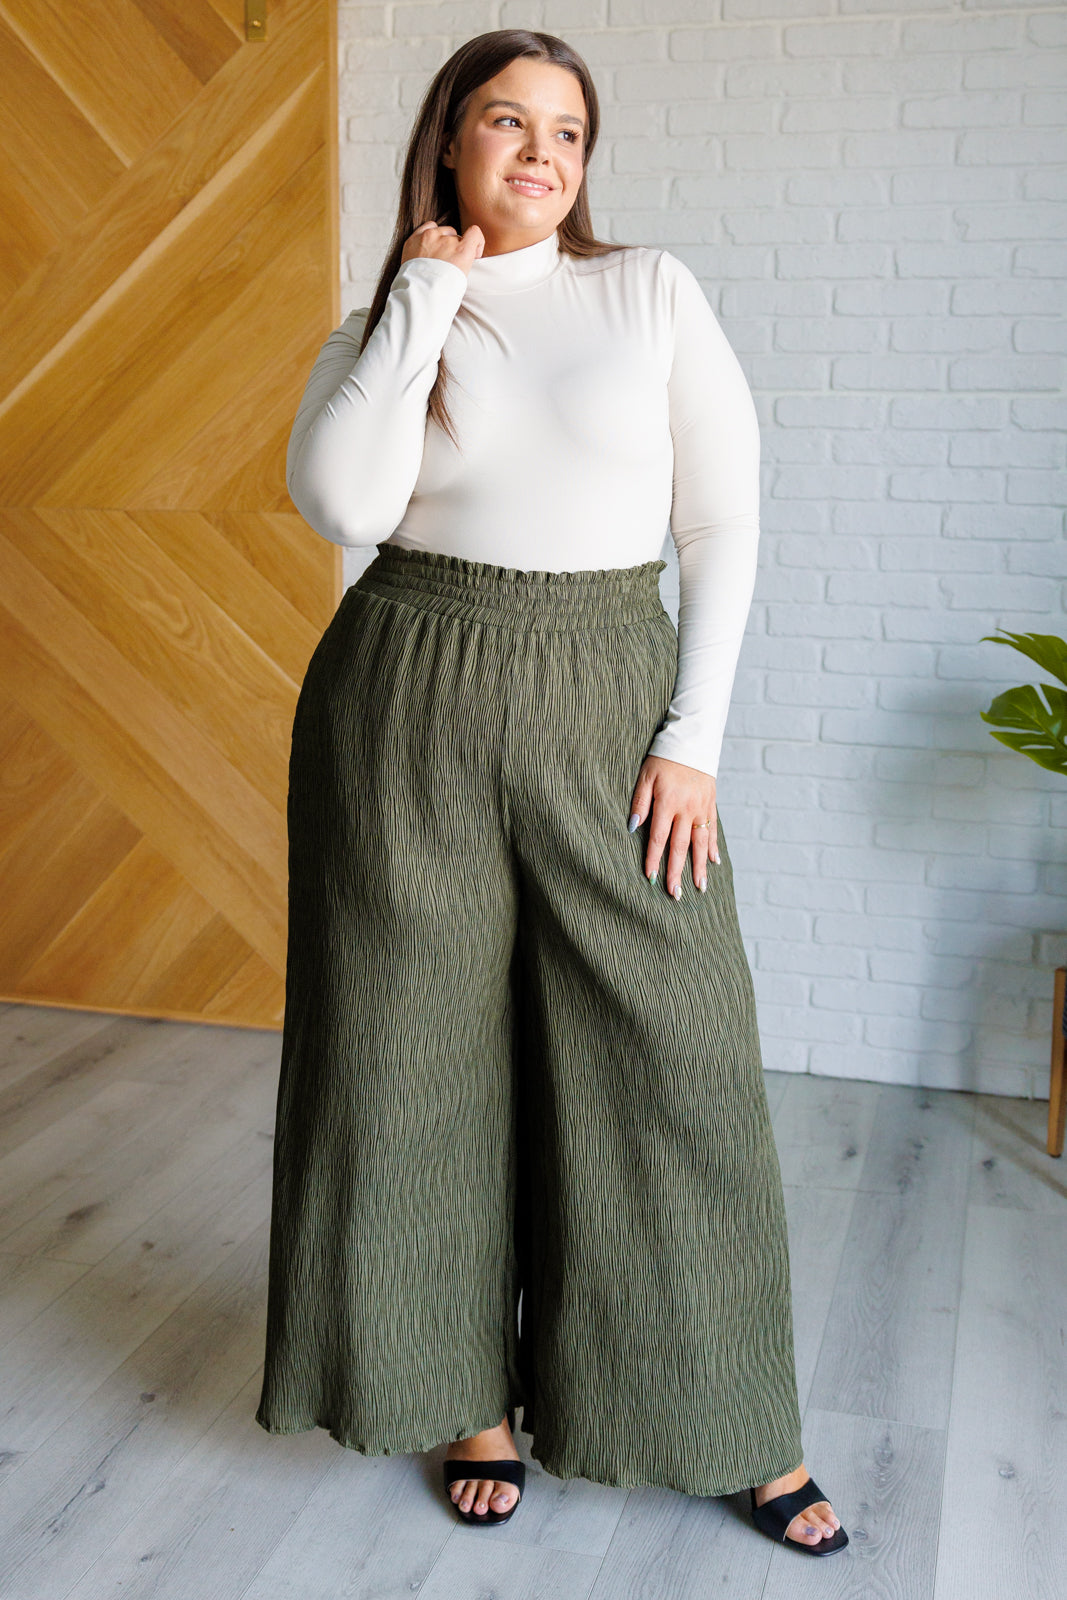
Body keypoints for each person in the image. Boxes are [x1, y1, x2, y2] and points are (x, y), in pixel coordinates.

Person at [254, 28, 848, 1558]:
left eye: (567, 132)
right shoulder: (385, 321)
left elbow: (721, 522)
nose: (539, 152)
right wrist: (424, 297)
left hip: (606, 694)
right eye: (505, 122)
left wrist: (692, 737)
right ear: (448, 143)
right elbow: (339, 503)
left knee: (679, 1057)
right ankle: (464, 1399)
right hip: (405, 693)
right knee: (408, 1061)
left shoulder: (644, 292)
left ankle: (730, 1420)